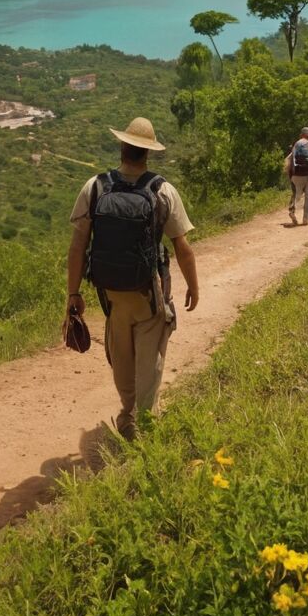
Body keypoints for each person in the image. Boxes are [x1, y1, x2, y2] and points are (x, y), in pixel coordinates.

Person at [67, 117, 199, 440]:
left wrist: (73, 294)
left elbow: (77, 246)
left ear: (122, 148)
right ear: (147, 154)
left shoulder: (95, 187)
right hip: (147, 292)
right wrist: (193, 286)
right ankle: (145, 423)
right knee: (150, 355)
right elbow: (182, 247)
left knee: (121, 355)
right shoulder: (162, 190)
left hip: (110, 293)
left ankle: (128, 415)